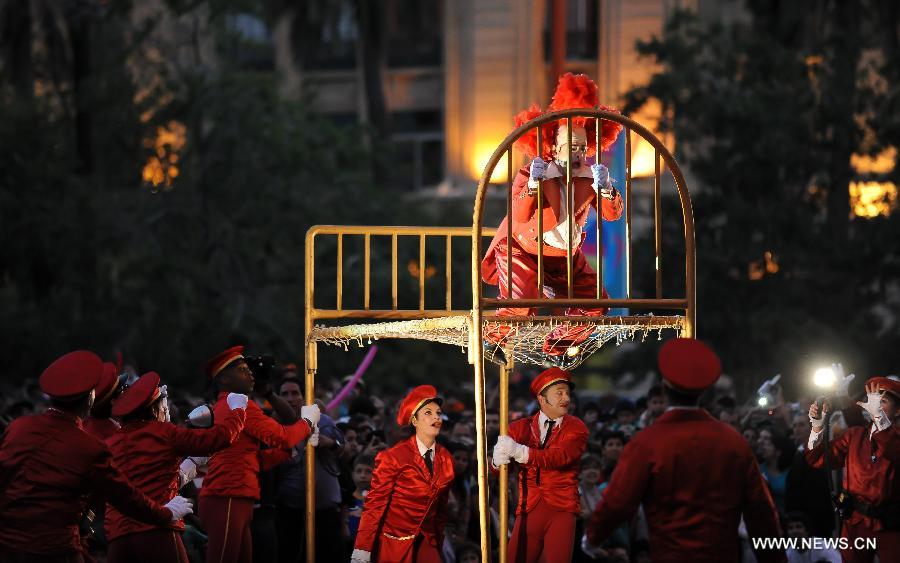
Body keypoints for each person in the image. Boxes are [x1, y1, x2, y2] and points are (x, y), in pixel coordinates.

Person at [586, 338, 785, 563]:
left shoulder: (647, 443)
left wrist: (591, 538)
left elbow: (617, 503)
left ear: (664, 387)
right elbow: (761, 512)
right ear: (702, 391)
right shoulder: (734, 442)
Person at [0, 351, 193, 561]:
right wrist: (166, 513)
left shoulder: (17, 428)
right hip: (57, 551)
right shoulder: (89, 446)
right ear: (90, 398)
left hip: (9, 548)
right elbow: (126, 497)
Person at [481, 73, 624, 355]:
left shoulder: (589, 177)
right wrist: (533, 184)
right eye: (571, 146)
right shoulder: (533, 172)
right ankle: (493, 340)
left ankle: (562, 345)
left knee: (595, 302)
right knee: (520, 304)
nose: (578, 153)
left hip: (563, 256)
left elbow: (611, 215)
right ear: (554, 147)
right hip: (522, 249)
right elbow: (520, 215)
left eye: (583, 147)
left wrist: (607, 188)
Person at [104, 371, 248, 562]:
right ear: (155, 409)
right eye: (164, 406)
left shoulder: (111, 442)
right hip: (158, 531)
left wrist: (190, 466)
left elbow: (137, 483)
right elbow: (220, 438)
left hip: (118, 539)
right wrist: (238, 409)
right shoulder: (164, 433)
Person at [199, 346, 319, 563]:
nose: (251, 374)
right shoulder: (240, 406)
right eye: (243, 370)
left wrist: (284, 452)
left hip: (236, 496)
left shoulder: (231, 405)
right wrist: (307, 422)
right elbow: (284, 436)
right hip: (228, 496)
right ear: (224, 379)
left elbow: (248, 459)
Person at [491, 367, 588, 563]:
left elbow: (557, 458)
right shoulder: (519, 427)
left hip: (561, 509)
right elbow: (500, 473)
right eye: (559, 393)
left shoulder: (576, 427)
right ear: (542, 399)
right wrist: (496, 462)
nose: (566, 398)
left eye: (567, 393)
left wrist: (519, 451)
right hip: (528, 507)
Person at [351, 385, 454, 563]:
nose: (436, 417)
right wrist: (362, 549)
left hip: (427, 546)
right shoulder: (393, 457)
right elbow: (374, 506)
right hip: (394, 546)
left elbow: (441, 508)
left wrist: (437, 542)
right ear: (414, 421)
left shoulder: (446, 458)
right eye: (428, 413)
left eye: (438, 412)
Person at [806, 376, 900, 563]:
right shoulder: (854, 435)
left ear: (898, 411)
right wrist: (817, 426)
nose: (876, 406)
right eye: (873, 400)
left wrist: (880, 420)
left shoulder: (896, 439)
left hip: (892, 525)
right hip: (855, 522)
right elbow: (817, 459)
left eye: (882, 401)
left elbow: (893, 450)